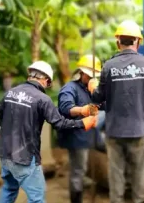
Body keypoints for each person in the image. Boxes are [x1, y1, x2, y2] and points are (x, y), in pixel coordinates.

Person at [0, 62, 97, 203]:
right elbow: (60, 123)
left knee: (9, 189)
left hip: (5, 154)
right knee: (37, 198)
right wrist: (82, 123)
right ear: (45, 79)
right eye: (48, 83)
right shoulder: (42, 99)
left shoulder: (10, 93)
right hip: (24, 157)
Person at [90, 20, 144, 203]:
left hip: (114, 132)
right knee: (138, 176)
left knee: (116, 177)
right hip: (138, 131)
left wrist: (92, 88)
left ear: (118, 42)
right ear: (138, 42)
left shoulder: (108, 66)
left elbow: (98, 98)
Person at [57, 54, 102, 203]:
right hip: (77, 136)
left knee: (83, 169)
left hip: (91, 135)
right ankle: (76, 199)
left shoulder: (93, 90)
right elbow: (65, 107)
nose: (90, 79)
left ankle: (84, 187)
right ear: (81, 73)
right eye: (88, 76)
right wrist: (81, 110)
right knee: (78, 170)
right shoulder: (70, 88)